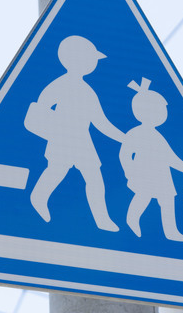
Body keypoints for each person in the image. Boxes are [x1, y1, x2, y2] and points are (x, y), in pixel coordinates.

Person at [26, 35, 123, 231]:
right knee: (57, 171)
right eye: (92, 59)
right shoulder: (61, 84)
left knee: (94, 177)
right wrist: (53, 127)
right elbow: (42, 105)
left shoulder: (88, 91)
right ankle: (38, 197)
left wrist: (124, 138)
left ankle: (102, 219)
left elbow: (100, 122)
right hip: (62, 137)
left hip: (82, 141)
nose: (94, 63)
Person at [119, 78, 183, 241]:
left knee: (168, 200)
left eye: (163, 110)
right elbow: (124, 154)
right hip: (144, 173)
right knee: (143, 196)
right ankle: (132, 219)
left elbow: (170, 158)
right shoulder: (135, 133)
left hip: (162, 175)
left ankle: (171, 231)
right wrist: (129, 171)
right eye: (160, 110)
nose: (163, 113)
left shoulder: (158, 137)